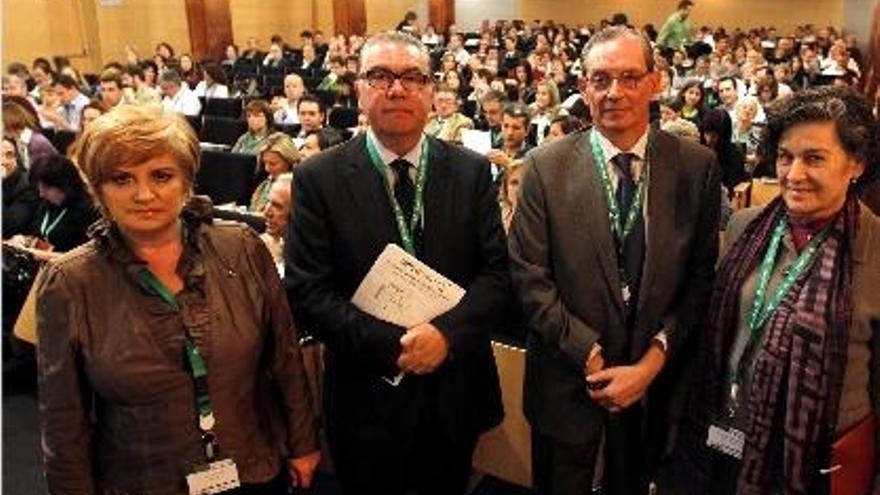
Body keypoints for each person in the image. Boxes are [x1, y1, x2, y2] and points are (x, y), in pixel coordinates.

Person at [36, 104, 321, 495]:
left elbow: (285, 357)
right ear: (98, 188)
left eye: (161, 175)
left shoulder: (240, 247)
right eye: (121, 179)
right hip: (143, 480)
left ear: (186, 179)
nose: (144, 194)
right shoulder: (69, 282)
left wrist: (304, 444)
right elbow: (63, 420)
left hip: (253, 466)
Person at [285, 32, 507, 495]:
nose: (397, 88)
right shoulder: (318, 177)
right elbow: (309, 293)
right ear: (359, 89)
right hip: (367, 394)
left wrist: (445, 336)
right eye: (380, 76)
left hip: (455, 389)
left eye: (412, 77)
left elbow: (497, 277)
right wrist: (398, 345)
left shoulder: (471, 172)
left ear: (430, 90)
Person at [508, 26, 720, 495]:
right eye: (600, 79)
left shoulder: (696, 166)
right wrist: (590, 354)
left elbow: (701, 279)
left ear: (655, 81)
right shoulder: (545, 165)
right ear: (583, 86)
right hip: (568, 383)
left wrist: (649, 363)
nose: (614, 92)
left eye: (628, 77)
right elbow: (529, 277)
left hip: (654, 387)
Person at [663, 86, 880, 495]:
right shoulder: (745, 227)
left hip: (810, 468)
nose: (794, 174)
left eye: (814, 158)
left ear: (856, 164)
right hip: (718, 440)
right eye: (785, 156)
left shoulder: (875, 251)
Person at [250, 132, 299, 212]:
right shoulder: (264, 185)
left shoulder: (298, 188)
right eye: (265, 163)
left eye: (273, 164)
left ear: (289, 162)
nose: (267, 169)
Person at [260, 172, 293, 265]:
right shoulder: (260, 244)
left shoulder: (312, 257)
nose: (266, 213)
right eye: (268, 202)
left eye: (277, 206)